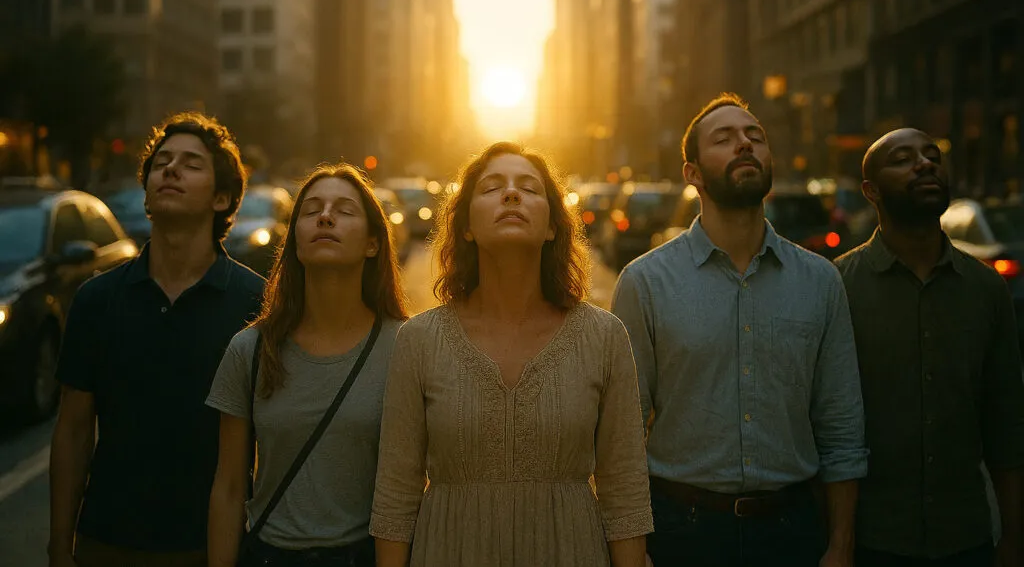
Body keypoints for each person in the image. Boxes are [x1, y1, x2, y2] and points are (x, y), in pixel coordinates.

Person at [612, 93, 868, 567]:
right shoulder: (645, 282)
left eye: (755, 136)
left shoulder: (820, 281)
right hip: (682, 530)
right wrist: (631, 550)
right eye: (724, 139)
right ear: (692, 173)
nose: (745, 144)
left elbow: (842, 426)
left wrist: (841, 544)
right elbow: (621, 436)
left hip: (792, 532)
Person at [370, 142, 653, 567]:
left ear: (552, 227)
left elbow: (625, 492)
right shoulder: (419, 340)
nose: (511, 194)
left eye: (529, 188)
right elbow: (396, 495)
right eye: (491, 188)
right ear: (466, 227)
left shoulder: (604, 337)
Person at [49, 113, 265, 567]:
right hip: (106, 543)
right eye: (162, 163)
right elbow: (73, 429)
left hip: (211, 546)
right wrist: (59, 547)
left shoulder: (255, 302)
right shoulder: (97, 299)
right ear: (146, 194)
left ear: (222, 198)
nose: (171, 170)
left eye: (191, 163)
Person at [835, 128, 1024, 567]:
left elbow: (1007, 423)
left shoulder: (985, 288)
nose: (924, 165)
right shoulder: (838, 286)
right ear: (871, 191)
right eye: (903, 159)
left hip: (967, 540)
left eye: (932, 157)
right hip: (872, 543)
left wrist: (1014, 538)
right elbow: (823, 428)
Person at [206, 163, 409, 567]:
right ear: (295, 239)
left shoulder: (405, 345)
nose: (325, 217)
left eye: (344, 210)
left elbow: (412, 489)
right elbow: (229, 488)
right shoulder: (250, 349)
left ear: (372, 244)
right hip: (271, 556)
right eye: (311, 210)